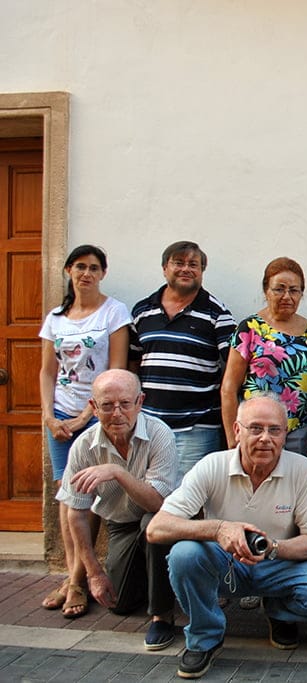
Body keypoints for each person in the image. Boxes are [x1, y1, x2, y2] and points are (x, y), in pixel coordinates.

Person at [147, 394, 307, 680]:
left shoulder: (301, 469)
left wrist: (272, 548)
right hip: (225, 563)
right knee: (184, 554)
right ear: (236, 430)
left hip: (279, 562)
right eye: (255, 428)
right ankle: (204, 638)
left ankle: (279, 612)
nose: (265, 438)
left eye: (274, 430)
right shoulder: (212, 465)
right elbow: (156, 528)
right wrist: (219, 530)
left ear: (285, 434)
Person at [38, 244, 131, 617]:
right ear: (68, 271)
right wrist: (49, 415)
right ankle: (71, 575)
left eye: (94, 267)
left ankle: (78, 579)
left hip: (98, 414)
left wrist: (85, 417)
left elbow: (117, 372)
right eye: (80, 267)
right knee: (66, 493)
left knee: (89, 494)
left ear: (103, 273)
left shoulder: (114, 312)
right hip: (60, 414)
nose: (86, 273)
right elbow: (47, 371)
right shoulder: (56, 319)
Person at [56, 370, 179, 649]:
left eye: (125, 404)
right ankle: (153, 585)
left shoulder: (159, 434)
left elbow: (157, 503)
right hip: (120, 524)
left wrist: (117, 472)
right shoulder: (84, 446)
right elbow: (76, 512)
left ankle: (162, 616)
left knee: (153, 526)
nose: (117, 413)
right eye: (107, 406)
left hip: (159, 518)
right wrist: (94, 573)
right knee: (119, 603)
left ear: (140, 402)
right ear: (93, 407)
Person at [130, 241, 235, 480]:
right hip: (149, 426)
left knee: (189, 501)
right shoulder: (142, 311)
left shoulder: (217, 313)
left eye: (193, 264)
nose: (186, 269)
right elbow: (132, 363)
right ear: (165, 268)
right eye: (179, 263)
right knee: (148, 495)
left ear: (201, 271)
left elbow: (233, 367)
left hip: (197, 428)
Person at [221, 257, 307, 455]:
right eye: (279, 289)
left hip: (299, 430)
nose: (287, 296)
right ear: (266, 291)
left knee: (294, 482)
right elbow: (228, 388)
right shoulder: (250, 328)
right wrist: (233, 441)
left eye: (294, 290)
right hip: (258, 429)